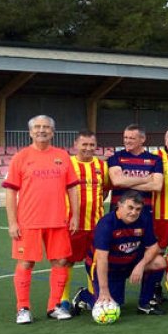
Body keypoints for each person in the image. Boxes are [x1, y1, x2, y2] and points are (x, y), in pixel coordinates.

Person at [4, 115, 80, 324]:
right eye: (37, 127)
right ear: (30, 132)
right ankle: (23, 309)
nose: (41, 130)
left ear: (53, 132)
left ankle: (54, 306)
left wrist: (75, 215)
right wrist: (12, 222)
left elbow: (72, 188)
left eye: (46, 127)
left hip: (58, 221)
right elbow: (10, 192)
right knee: (26, 263)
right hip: (29, 222)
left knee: (61, 261)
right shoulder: (21, 157)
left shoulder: (62, 156)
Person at [72, 190, 167, 316]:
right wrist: (104, 290)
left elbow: (154, 247)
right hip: (106, 267)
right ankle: (83, 296)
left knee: (159, 262)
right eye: (130, 207)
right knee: (110, 304)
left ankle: (145, 303)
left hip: (129, 262)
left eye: (138, 209)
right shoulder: (106, 224)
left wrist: (141, 265)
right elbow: (101, 259)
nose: (134, 213)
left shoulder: (144, 219)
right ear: (119, 205)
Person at [66, 130, 109, 307]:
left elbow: (105, 190)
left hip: (96, 224)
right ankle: (63, 299)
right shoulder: (67, 164)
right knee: (66, 261)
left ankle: (93, 297)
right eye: (84, 144)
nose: (88, 148)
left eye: (92, 144)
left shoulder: (101, 165)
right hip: (72, 224)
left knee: (95, 261)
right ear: (76, 145)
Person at [106, 124, 163, 211]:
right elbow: (117, 181)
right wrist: (144, 180)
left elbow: (157, 186)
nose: (127, 141)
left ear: (142, 139)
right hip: (119, 211)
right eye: (125, 137)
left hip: (144, 210)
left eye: (132, 138)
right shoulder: (115, 157)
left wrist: (126, 183)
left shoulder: (155, 159)